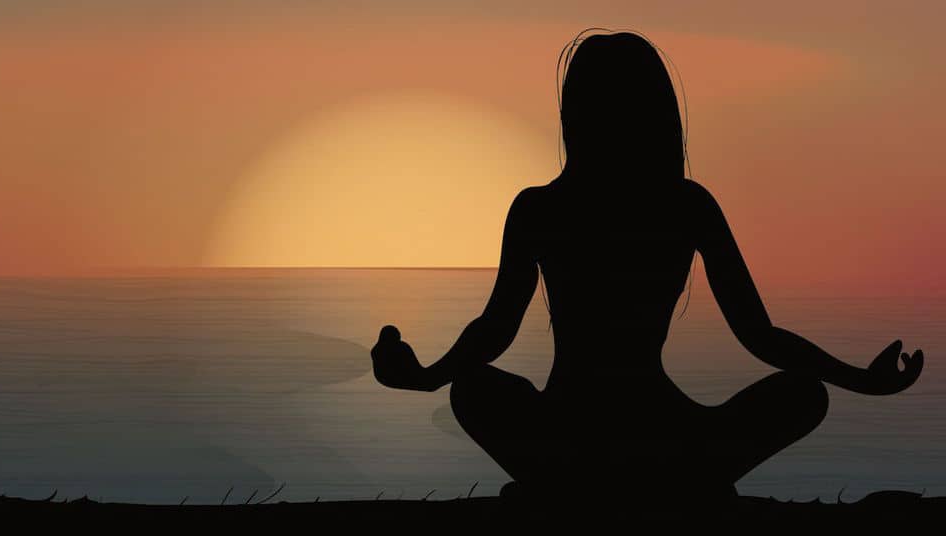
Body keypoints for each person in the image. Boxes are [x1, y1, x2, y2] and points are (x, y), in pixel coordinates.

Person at [369, 30, 924, 505]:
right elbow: (760, 336)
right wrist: (857, 380)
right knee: (805, 393)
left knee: (472, 388)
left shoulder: (558, 207)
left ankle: (567, 485)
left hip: (574, 436)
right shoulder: (677, 205)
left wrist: (425, 376)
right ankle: (676, 485)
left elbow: (493, 331)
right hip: (662, 438)